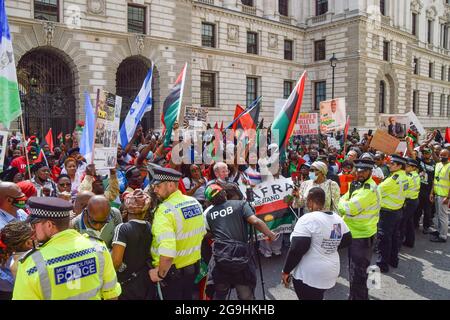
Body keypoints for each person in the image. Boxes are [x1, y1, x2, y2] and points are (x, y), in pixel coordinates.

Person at [12, 197, 121, 300]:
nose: (33, 229)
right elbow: (111, 294)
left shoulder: (31, 264)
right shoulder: (99, 248)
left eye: (34, 225)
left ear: (49, 225)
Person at [203, 184, 277, 300]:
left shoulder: (207, 214)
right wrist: (271, 235)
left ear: (210, 201)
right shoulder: (240, 204)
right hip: (241, 258)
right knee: (245, 295)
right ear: (224, 193)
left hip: (221, 259)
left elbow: (206, 233)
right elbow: (256, 222)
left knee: (220, 294)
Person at [281, 187, 351, 300]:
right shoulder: (336, 219)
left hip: (310, 275)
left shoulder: (307, 219)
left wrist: (286, 271)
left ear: (310, 201)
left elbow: (296, 249)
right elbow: (346, 239)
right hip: (330, 271)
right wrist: (327, 247)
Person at [149, 166, 206, 300]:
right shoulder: (194, 202)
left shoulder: (164, 211)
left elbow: (168, 253)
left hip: (172, 273)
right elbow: (202, 232)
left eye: (157, 186)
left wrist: (160, 274)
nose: (155, 189)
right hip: (193, 269)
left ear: (170, 185)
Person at [338, 159, 380, 300]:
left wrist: (341, 203)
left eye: (364, 171)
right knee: (357, 270)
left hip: (361, 235)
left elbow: (350, 208)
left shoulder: (367, 190)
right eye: (358, 170)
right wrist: (345, 200)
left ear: (370, 172)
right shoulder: (358, 185)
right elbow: (346, 198)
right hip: (357, 233)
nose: (360, 173)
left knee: (358, 272)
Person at [112, 189, 155, 300]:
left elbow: (116, 262)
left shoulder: (122, 228)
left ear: (127, 207)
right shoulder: (149, 226)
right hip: (144, 281)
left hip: (126, 285)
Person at [376, 154, 408, 273]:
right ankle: (393, 260)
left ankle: (382, 264)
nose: (389, 165)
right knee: (394, 237)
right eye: (389, 163)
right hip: (398, 210)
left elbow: (377, 192)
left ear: (400, 166)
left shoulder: (392, 180)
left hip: (388, 213)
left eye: (393, 164)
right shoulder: (405, 176)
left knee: (384, 238)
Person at [0, 182, 28, 300]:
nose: (24, 196)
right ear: (9, 200)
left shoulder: (21, 213)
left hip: (26, 278)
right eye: (20, 194)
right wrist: (14, 282)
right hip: (8, 287)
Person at [429, 149, 450, 243]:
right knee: (438, 215)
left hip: (444, 196)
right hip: (437, 194)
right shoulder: (438, 164)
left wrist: (448, 197)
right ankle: (439, 231)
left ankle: (443, 236)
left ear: (448, 156)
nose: (441, 157)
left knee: (443, 217)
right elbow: (435, 180)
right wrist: (431, 193)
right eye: (440, 155)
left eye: (444, 155)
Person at [415, 147, 436, 233]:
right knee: (417, 210)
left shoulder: (434, 164)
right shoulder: (419, 162)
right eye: (424, 153)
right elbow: (413, 152)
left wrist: (431, 193)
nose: (425, 154)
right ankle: (415, 224)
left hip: (428, 191)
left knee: (427, 211)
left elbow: (434, 180)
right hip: (419, 190)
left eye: (427, 153)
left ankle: (426, 227)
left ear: (430, 154)